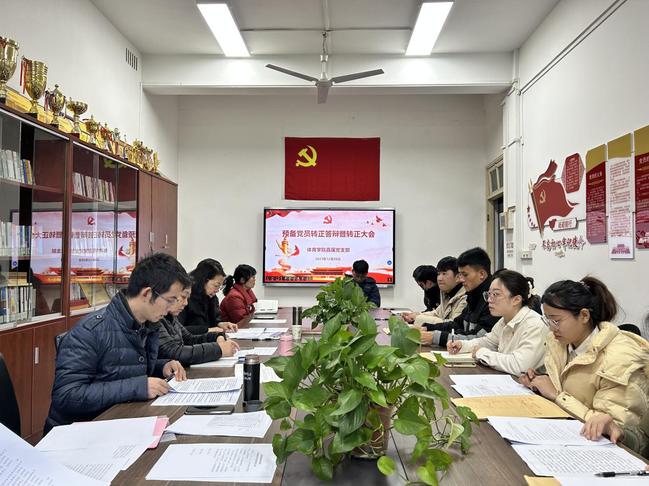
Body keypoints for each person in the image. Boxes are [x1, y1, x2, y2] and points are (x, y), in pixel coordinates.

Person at [46, 253, 189, 432]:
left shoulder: (146, 325)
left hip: (120, 422)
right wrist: (138, 387)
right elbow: (66, 396)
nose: (171, 307)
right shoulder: (91, 331)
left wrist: (162, 367)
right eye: (170, 300)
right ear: (147, 293)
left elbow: (123, 369)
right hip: (80, 433)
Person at [520, 276, 649, 455]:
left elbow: (611, 428)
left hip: (599, 450)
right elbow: (562, 378)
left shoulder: (619, 358)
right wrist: (538, 379)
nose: (551, 328)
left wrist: (557, 396)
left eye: (556, 320)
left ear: (584, 316)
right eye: (547, 320)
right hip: (564, 434)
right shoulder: (560, 342)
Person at [446, 269, 546, 375]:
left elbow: (520, 366)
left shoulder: (535, 325)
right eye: (489, 294)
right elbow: (488, 342)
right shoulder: (504, 320)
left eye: (496, 294)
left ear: (516, 300)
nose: (489, 300)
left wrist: (481, 353)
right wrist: (462, 345)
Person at [416, 248, 499, 346]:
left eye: (465, 275)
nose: (461, 279)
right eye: (460, 275)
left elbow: (480, 339)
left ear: (481, 274)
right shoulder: (473, 295)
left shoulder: (493, 300)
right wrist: (428, 328)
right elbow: (457, 325)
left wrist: (435, 337)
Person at [158, 284, 240, 367]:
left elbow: (189, 339)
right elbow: (172, 352)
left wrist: (216, 337)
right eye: (183, 297)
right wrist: (218, 349)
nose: (186, 303)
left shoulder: (171, 317)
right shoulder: (157, 319)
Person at [179, 259, 238, 335]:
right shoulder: (185, 297)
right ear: (203, 280)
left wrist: (220, 324)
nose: (217, 290)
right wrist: (207, 330)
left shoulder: (212, 297)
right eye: (216, 285)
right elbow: (177, 330)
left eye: (219, 287)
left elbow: (215, 319)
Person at [405, 256, 467, 326]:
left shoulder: (466, 297)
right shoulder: (446, 293)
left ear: (458, 277)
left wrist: (418, 318)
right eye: (439, 274)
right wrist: (416, 315)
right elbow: (437, 313)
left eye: (444, 273)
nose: (439, 278)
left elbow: (453, 324)